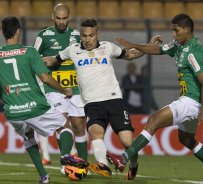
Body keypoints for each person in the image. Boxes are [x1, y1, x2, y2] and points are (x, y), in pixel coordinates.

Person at [0, 16, 88, 184]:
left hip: (13, 112)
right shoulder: (29, 52)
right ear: (19, 31)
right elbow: (46, 78)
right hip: (35, 107)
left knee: (28, 137)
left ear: (2, 33)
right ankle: (66, 157)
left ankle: (43, 176)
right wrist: (64, 90)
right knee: (65, 126)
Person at [106, 13, 203, 182]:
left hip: (192, 101)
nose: (173, 34)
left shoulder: (194, 52)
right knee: (185, 139)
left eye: (175, 30)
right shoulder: (179, 46)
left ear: (187, 30)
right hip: (190, 100)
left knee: (153, 120)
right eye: (172, 30)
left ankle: (123, 158)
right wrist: (132, 44)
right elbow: (157, 49)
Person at [44, 18, 145, 180]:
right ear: (80, 36)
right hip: (92, 103)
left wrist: (149, 47)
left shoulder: (108, 47)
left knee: (127, 142)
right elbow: (53, 60)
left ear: (97, 34)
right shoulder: (72, 50)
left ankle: (133, 164)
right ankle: (103, 165)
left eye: (91, 35)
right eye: (84, 36)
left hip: (114, 100)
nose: (88, 39)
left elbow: (130, 55)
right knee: (95, 134)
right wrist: (32, 61)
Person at [33, 3, 87, 166]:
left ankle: (83, 164)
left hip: (75, 87)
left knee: (78, 126)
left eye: (64, 18)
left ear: (69, 18)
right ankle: (67, 162)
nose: (62, 22)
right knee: (61, 123)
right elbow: (33, 59)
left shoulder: (78, 36)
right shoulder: (44, 35)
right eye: (58, 18)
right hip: (53, 87)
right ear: (52, 17)